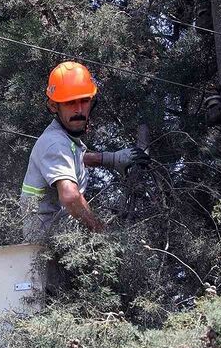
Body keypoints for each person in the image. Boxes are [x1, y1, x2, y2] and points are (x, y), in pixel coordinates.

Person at [20, 61, 149, 242]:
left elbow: (73, 159)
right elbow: (70, 196)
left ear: (92, 102)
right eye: (70, 103)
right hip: (47, 246)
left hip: (59, 238)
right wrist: (100, 232)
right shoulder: (55, 143)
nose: (79, 110)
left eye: (84, 101)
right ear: (54, 106)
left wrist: (111, 159)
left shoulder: (62, 140)